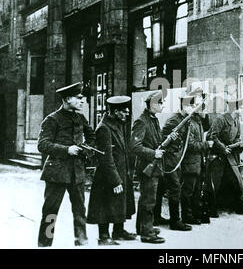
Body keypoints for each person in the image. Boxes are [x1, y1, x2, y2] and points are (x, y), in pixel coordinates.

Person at [37, 82, 96, 247]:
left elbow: (92, 137)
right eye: (78, 98)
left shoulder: (80, 118)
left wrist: (85, 150)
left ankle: (82, 240)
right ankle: (45, 243)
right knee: (50, 210)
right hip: (56, 173)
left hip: (77, 172)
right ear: (67, 99)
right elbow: (42, 145)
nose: (82, 101)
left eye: (82, 98)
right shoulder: (52, 119)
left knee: (79, 209)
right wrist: (66, 150)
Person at [86, 96, 137, 246]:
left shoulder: (117, 124)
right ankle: (103, 236)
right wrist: (115, 180)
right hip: (107, 175)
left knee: (119, 202)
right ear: (115, 112)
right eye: (124, 111)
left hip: (119, 171)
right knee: (105, 205)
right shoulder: (104, 128)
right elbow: (106, 158)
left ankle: (118, 231)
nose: (127, 113)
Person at [209, 96, 243, 216]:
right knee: (215, 183)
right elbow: (212, 136)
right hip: (218, 157)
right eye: (239, 107)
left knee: (237, 181)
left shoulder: (236, 121)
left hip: (231, 157)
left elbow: (236, 137)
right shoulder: (220, 119)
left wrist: (240, 143)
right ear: (233, 108)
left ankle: (240, 207)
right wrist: (222, 148)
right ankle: (210, 209)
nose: (241, 109)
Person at [130, 90, 166, 243]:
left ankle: (143, 227)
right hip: (147, 166)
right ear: (152, 105)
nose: (162, 105)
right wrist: (153, 154)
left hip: (154, 166)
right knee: (148, 200)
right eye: (160, 103)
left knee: (147, 198)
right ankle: (147, 233)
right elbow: (134, 146)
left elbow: (156, 140)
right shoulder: (142, 121)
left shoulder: (153, 120)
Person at [161, 94, 197, 231]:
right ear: (184, 106)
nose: (193, 108)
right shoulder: (174, 120)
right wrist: (170, 138)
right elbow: (162, 138)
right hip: (170, 159)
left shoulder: (186, 120)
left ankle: (173, 219)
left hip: (178, 158)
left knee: (176, 188)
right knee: (175, 189)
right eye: (191, 106)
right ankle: (175, 221)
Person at [181, 88, 214, 225]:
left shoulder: (198, 122)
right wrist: (206, 145)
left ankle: (195, 214)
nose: (204, 111)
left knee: (196, 191)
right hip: (190, 163)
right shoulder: (191, 123)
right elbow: (190, 145)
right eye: (202, 108)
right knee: (188, 191)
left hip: (197, 163)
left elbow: (207, 126)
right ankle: (187, 216)